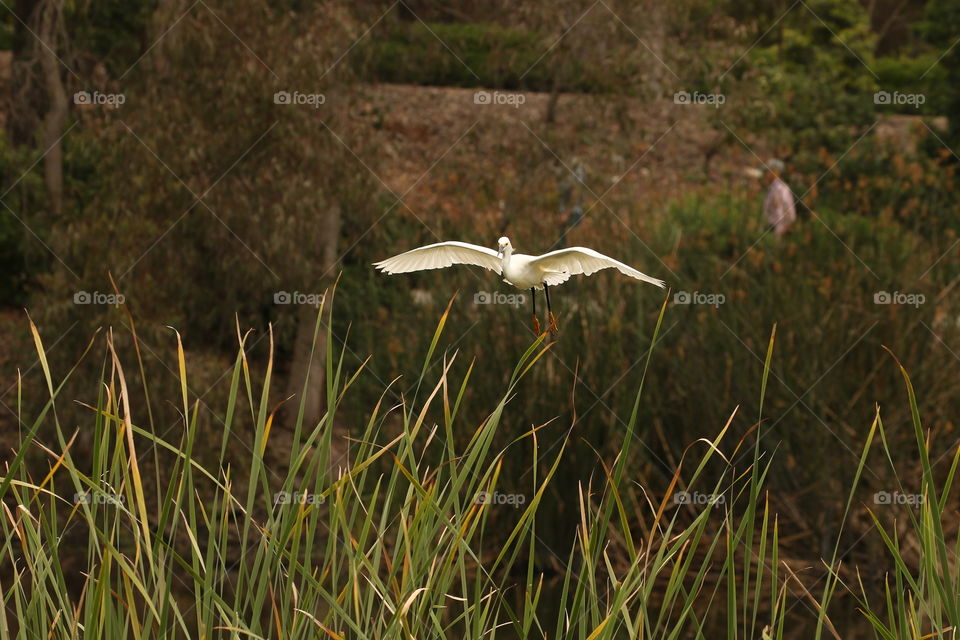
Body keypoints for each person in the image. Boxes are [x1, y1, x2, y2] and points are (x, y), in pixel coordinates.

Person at [761, 159, 796, 237]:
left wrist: (785, 229)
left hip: (777, 231)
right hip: (769, 229)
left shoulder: (781, 189)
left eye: (768, 171)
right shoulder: (772, 188)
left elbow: (788, 212)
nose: (765, 174)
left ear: (776, 172)